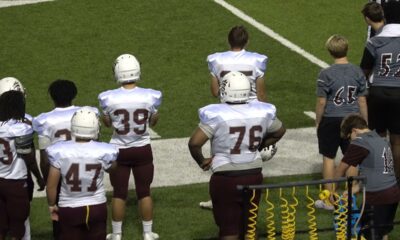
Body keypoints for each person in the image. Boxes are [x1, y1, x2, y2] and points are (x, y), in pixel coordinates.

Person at [188, 72, 285, 240]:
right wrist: (260, 145)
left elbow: (194, 143)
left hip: (226, 177)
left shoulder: (217, 114)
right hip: (254, 174)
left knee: (229, 230)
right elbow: (280, 131)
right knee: (250, 227)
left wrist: (202, 161)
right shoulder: (262, 111)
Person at [98, 54, 162, 240]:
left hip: (119, 149)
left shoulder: (108, 98)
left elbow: (108, 123)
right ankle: (148, 232)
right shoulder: (151, 95)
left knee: (119, 193)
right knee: (144, 192)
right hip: (142, 148)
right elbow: (154, 122)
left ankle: (117, 234)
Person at [33, 79, 96, 239]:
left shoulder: (44, 120)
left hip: (60, 173)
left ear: (52, 97)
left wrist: (47, 180)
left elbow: (45, 157)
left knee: (58, 215)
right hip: (85, 168)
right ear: (74, 95)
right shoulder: (87, 113)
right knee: (89, 210)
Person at [46, 107, 118, 240]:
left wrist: (51, 205)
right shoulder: (104, 150)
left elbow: (51, 185)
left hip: (70, 207)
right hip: (97, 205)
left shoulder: (60, 150)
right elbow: (112, 168)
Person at [315, 35, 368, 209]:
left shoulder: (325, 74)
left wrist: (318, 121)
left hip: (331, 119)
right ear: (347, 49)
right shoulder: (357, 72)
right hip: (352, 120)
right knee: (351, 157)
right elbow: (361, 101)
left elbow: (322, 102)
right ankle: (350, 193)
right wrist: (364, 123)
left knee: (329, 157)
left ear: (330, 51)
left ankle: (329, 199)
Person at [334, 114, 400, 240]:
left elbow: (340, 170)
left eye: (349, 138)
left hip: (377, 196)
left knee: (369, 233)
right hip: (393, 193)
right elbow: (377, 171)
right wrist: (356, 189)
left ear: (354, 131)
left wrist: (332, 191)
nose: (350, 141)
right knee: (381, 232)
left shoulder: (361, 142)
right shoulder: (381, 139)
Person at [359, 0, 400, 180]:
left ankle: (379, 175)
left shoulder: (375, 41)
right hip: (399, 94)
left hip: (378, 92)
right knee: (397, 141)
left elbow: (364, 71)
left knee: (378, 138)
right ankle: (396, 178)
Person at [0, 77, 45, 240]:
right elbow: (30, 157)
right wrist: (39, 177)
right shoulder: (23, 125)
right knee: (19, 223)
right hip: (17, 180)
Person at [207, 25, 268, 102]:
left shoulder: (217, 60)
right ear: (247, 42)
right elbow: (261, 95)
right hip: (251, 109)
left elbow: (215, 93)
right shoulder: (256, 60)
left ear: (228, 41)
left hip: (228, 109)